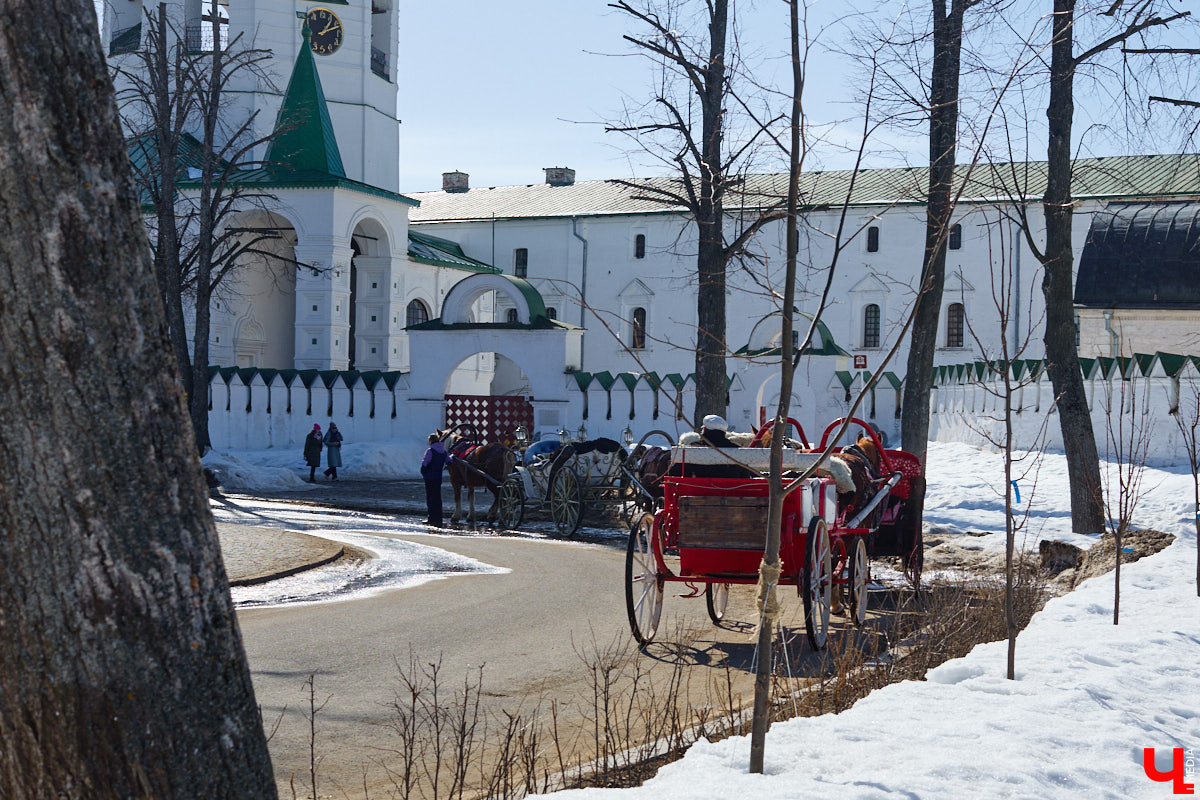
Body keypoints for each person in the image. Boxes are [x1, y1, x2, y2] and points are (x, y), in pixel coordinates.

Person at [420, 433, 452, 526]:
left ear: (430, 441)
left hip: (429, 478)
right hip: (438, 478)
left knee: (430, 498)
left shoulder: (430, 451)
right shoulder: (444, 451)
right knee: (438, 498)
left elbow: (425, 463)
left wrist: (423, 472)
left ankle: (431, 518)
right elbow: (449, 461)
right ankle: (439, 518)